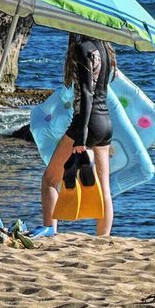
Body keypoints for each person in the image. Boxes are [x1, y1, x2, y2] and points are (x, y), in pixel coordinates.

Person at [37, 35, 116, 237]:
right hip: (105, 122)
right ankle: (103, 239)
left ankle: (49, 232)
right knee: (104, 186)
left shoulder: (84, 48)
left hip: (86, 122)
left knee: (50, 180)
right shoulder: (105, 48)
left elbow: (87, 92)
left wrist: (82, 135)